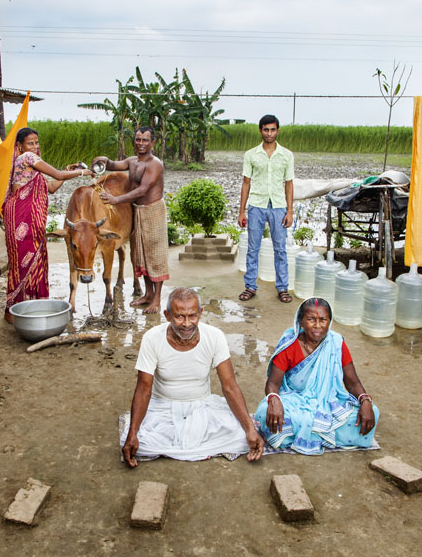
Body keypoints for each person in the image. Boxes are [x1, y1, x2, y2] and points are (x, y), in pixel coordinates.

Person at [120, 287, 264, 466]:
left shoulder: (215, 336)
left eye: (192, 316)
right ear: (167, 315)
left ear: (200, 313)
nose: (187, 324)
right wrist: (133, 434)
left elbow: (229, 386)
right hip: (162, 407)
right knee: (141, 442)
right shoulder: (152, 338)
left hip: (202, 405)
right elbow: (143, 389)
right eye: (179, 316)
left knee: (242, 435)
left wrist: (250, 429)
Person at [254, 297, 378, 454]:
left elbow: (352, 382)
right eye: (311, 319)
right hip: (293, 401)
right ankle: (325, 433)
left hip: (328, 402)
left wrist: (365, 400)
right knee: (265, 412)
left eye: (323, 320)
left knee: (372, 411)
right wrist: (274, 400)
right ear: (300, 321)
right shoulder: (289, 344)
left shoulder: (336, 343)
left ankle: (309, 432)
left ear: (329, 322)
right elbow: (272, 383)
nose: (317, 326)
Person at [3, 127, 91, 322]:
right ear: (20, 146)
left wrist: (67, 172)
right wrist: (82, 172)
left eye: (36, 142)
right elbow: (58, 175)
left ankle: (28, 309)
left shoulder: (32, 169)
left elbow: (51, 187)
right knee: (24, 263)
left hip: (29, 220)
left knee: (32, 262)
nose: (34, 147)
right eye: (30, 143)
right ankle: (16, 310)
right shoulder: (27, 158)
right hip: (21, 218)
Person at [92, 127, 168, 314]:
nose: (141, 143)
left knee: (155, 256)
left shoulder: (154, 164)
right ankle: (148, 294)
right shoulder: (132, 161)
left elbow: (143, 190)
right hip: (137, 211)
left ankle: (156, 300)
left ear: (153, 143)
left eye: (145, 140)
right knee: (140, 254)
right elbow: (113, 165)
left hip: (153, 211)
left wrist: (116, 199)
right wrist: (104, 161)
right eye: (138, 139)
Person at [238, 114, 294, 304]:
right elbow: (246, 183)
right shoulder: (251, 155)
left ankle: (283, 288)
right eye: (266, 129)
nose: (269, 133)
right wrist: (242, 210)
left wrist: (290, 211)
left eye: (272, 129)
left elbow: (289, 184)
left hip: (278, 207)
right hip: (256, 206)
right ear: (260, 130)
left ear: (277, 131)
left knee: (280, 249)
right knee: (253, 248)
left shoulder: (286, 155)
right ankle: (250, 286)